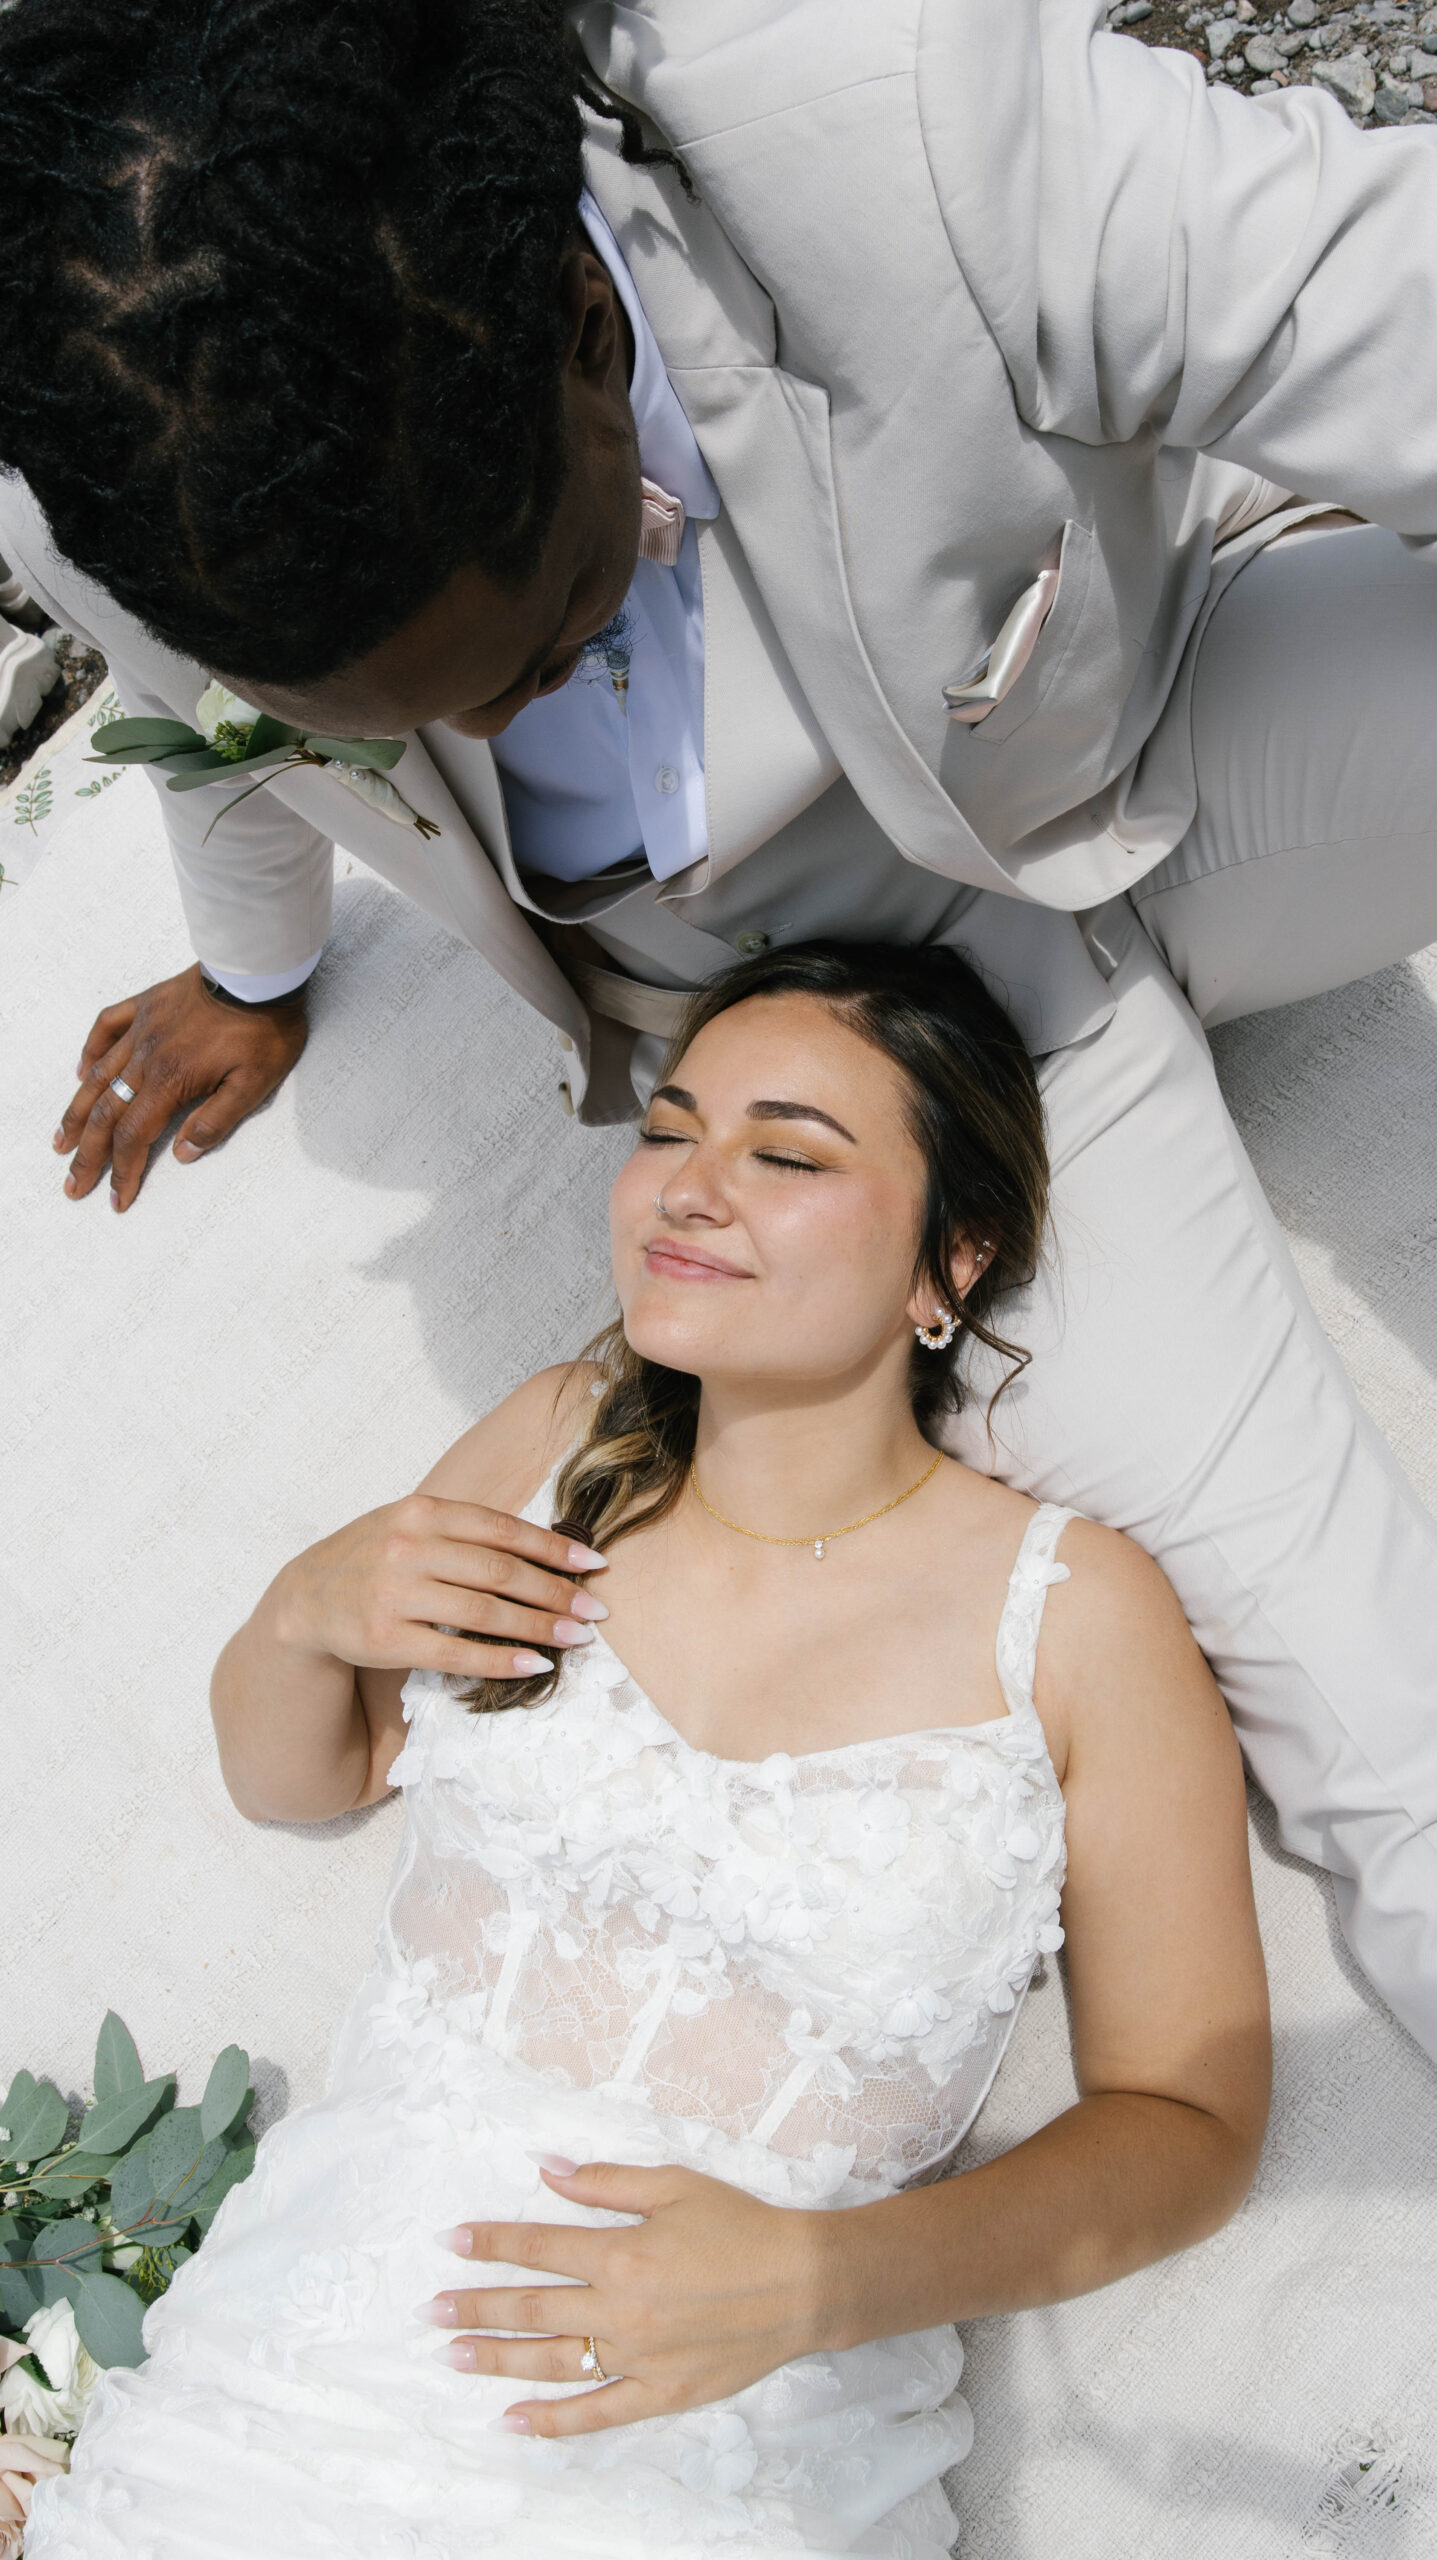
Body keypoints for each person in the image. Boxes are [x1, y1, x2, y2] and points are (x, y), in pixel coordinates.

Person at [0, 0, 1432, 2065]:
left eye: (554, 625)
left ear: (592, 318)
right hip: (840, 1050)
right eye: (409, 712)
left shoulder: (890, 120)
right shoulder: (120, 479)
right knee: (1376, 1725)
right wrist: (251, 967)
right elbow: (226, 757)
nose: (486, 732)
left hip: (1167, 721)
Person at [26, 946, 1270, 2557]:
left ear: (944, 1264)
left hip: (719, 2467)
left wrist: (826, 2280)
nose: (687, 1189)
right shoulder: (563, 1447)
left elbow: (1188, 2124)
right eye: (670, 1131)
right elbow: (303, 1780)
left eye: (785, 1155)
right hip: (284, 2404)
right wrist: (298, 1619)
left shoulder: (1077, 1617)